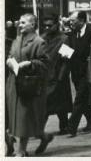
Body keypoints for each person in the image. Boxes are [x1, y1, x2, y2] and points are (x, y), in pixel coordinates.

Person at [6, 14, 52, 156]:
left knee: (24, 118)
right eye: (19, 22)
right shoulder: (17, 40)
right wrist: (9, 60)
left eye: (23, 23)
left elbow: (45, 64)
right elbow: (11, 55)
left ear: (32, 25)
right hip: (14, 85)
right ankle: (44, 137)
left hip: (29, 86)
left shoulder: (39, 42)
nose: (19, 25)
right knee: (17, 118)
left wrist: (30, 64)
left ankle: (21, 150)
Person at [40, 14, 73, 135]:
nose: (47, 28)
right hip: (45, 76)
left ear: (56, 25)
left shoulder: (64, 39)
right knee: (45, 104)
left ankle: (64, 126)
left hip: (59, 76)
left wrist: (61, 77)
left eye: (50, 25)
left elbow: (67, 60)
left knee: (61, 104)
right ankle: (39, 128)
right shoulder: (42, 38)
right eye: (45, 26)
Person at [67, 11, 91, 136]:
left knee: (79, 99)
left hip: (87, 72)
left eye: (73, 20)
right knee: (84, 98)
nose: (70, 22)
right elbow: (68, 50)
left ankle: (71, 126)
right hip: (76, 72)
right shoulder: (72, 34)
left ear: (82, 20)